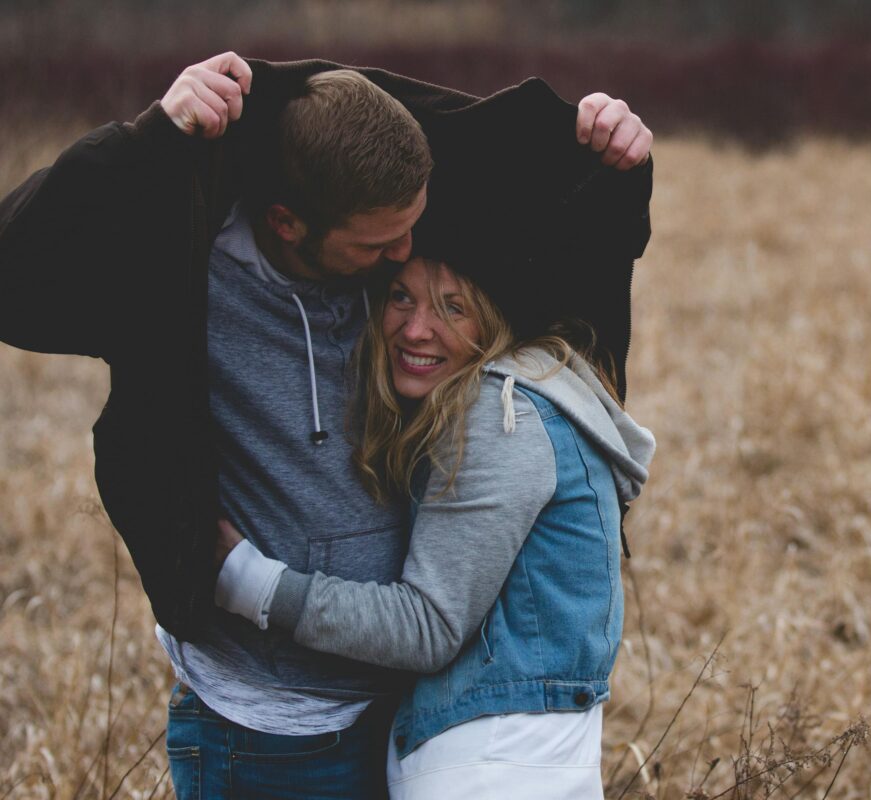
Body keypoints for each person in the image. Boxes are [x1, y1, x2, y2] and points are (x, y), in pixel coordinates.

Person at [0, 51, 653, 797]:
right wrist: (150, 136)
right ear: (288, 224)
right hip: (264, 731)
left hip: (401, 718)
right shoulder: (182, 274)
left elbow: (557, 222)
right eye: (379, 249)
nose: (404, 257)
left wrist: (615, 153)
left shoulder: (392, 250)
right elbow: (17, 268)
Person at [214, 254, 653, 798]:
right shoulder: (539, 394)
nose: (417, 329)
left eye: (453, 308)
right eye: (401, 297)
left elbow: (428, 627)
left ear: (496, 319)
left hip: (488, 770)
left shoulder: (502, 415)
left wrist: (246, 581)